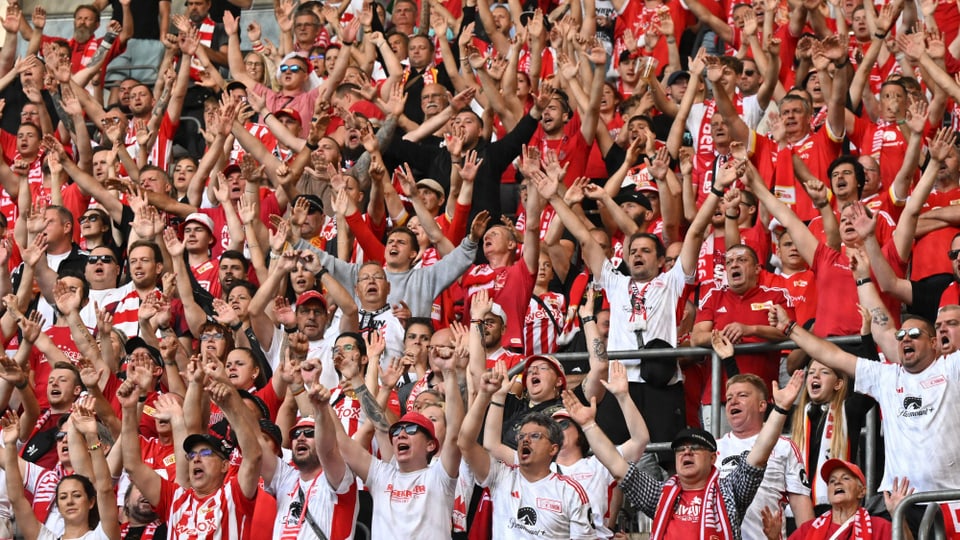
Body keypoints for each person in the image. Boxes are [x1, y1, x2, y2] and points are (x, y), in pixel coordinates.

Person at [562, 367, 805, 540]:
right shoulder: (661, 495)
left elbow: (758, 456)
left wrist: (781, 409)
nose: (686, 451)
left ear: (714, 458)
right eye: (680, 449)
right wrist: (588, 425)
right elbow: (616, 465)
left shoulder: (729, 491)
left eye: (695, 447)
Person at [460, 364, 596, 539]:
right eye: (522, 436)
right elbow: (465, 442)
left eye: (535, 436)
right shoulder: (501, 476)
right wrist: (487, 395)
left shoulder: (570, 491)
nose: (525, 439)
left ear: (553, 448)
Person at [769, 459, 914, 540]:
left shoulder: (879, 527)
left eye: (845, 478)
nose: (837, 483)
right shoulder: (808, 529)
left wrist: (898, 515)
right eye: (832, 481)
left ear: (861, 491)